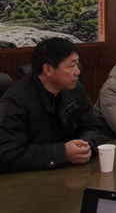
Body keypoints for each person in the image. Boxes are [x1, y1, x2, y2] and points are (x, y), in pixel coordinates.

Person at [0, 37, 104, 174]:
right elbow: (8, 155)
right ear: (48, 69)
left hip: (71, 173)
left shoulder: (76, 90)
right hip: (30, 179)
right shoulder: (16, 101)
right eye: (71, 66)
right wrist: (61, 153)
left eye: (77, 65)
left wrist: (85, 145)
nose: (77, 72)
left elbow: (93, 128)